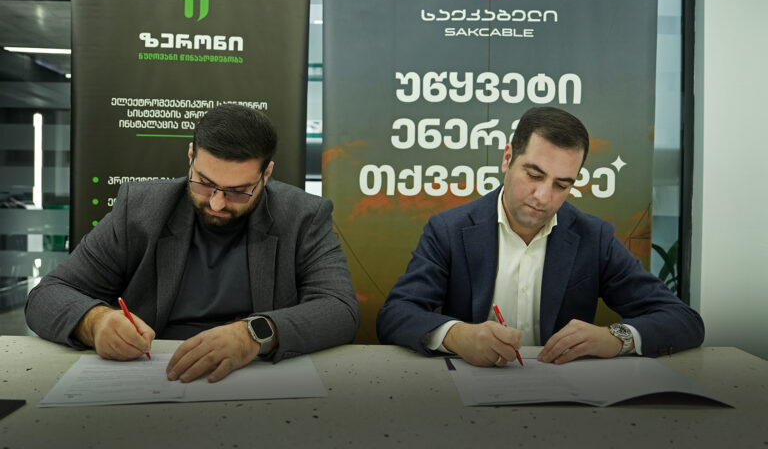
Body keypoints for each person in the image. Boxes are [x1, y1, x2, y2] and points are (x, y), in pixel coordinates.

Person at [26, 103, 359, 382]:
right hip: (155, 374)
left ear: (266, 174)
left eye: (238, 191)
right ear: (190, 156)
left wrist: (255, 333)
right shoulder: (139, 210)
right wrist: (95, 322)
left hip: (255, 374)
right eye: (204, 183)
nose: (217, 203)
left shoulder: (303, 216)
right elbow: (47, 295)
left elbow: (339, 308)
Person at [377, 107, 704, 367]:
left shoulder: (594, 238)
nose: (543, 197)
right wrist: (457, 335)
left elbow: (684, 320)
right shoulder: (448, 230)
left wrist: (616, 338)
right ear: (507, 159)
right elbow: (396, 313)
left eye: (562, 185)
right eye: (534, 175)